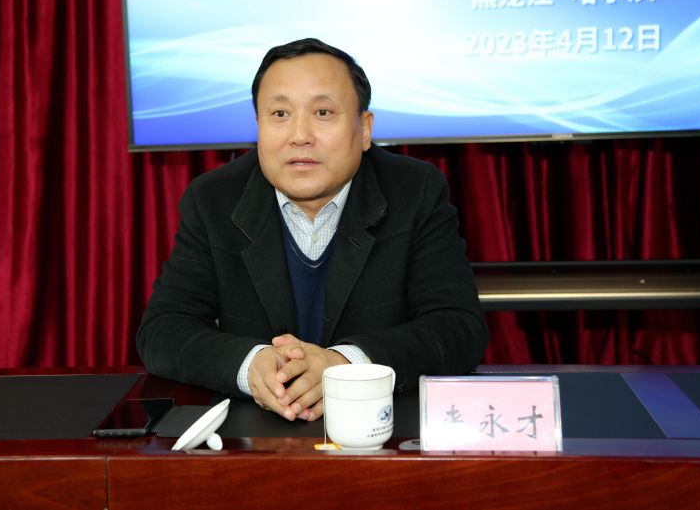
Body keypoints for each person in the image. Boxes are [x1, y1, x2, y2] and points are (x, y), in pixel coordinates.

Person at [136, 38, 488, 422]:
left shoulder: (415, 191)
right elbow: (163, 330)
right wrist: (252, 365)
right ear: (258, 126)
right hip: (254, 431)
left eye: (323, 112)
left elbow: (457, 328)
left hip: (379, 427)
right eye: (280, 114)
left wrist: (344, 365)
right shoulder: (213, 199)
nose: (300, 135)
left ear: (364, 129)